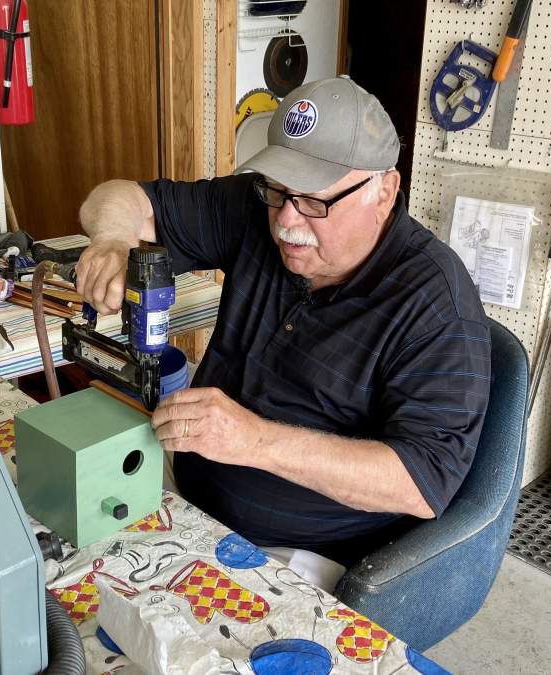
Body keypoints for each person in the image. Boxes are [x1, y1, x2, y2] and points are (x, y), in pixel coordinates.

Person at [75, 76, 491, 587]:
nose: (286, 221)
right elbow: (118, 197)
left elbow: (421, 483)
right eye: (278, 190)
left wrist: (255, 442)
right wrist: (114, 239)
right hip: (187, 493)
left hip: (302, 555)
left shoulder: (435, 303)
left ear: (385, 190)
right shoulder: (258, 209)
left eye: (315, 200)